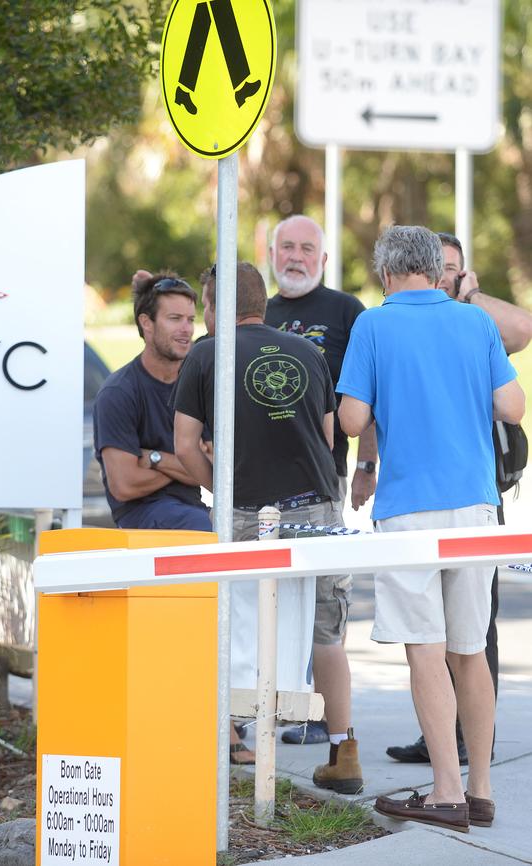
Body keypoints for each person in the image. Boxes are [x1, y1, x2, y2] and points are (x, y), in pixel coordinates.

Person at [337, 225, 525, 831]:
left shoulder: (372, 324)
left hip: (410, 507)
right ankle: (481, 789)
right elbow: (512, 406)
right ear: (438, 272)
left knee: (427, 650)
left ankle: (444, 791)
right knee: (472, 650)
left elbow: (351, 420)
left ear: (387, 272)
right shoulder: (475, 324)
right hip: (475, 504)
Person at [174, 262, 363, 794]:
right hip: (319, 509)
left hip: (248, 511)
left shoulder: (207, 354)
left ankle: (234, 739)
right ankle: (343, 752)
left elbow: (185, 443)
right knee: (326, 631)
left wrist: (219, 490)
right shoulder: (307, 352)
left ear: (213, 306)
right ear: (264, 302)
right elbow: (328, 439)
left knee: (234, 622)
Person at [386, 232, 532, 765]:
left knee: (472, 630)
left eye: (453, 268)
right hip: (426, 492)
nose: (443, 276)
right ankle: (444, 744)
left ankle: (474, 744)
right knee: (433, 634)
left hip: (475, 492)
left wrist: (468, 295)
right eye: (437, 267)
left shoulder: (475, 322)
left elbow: (523, 330)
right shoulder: (402, 324)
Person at [265, 214, 378, 745]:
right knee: (263, 603)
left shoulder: (345, 311)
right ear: (271, 254)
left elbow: (369, 394)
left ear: (324, 259)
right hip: (255, 487)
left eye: (306, 248)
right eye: (286, 246)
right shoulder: (256, 314)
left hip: (323, 480)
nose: (295, 256)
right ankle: (271, 714)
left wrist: (366, 464)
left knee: (322, 605)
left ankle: (332, 729)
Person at [93, 272, 211, 532]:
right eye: (175, 319)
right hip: (144, 520)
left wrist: (154, 458)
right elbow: (124, 485)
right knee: (217, 532)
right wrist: (190, 462)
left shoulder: (198, 384)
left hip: (195, 509)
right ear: (146, 323)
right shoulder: (118, 392)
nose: (187, 330)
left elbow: (215, 474)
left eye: (191, 320)